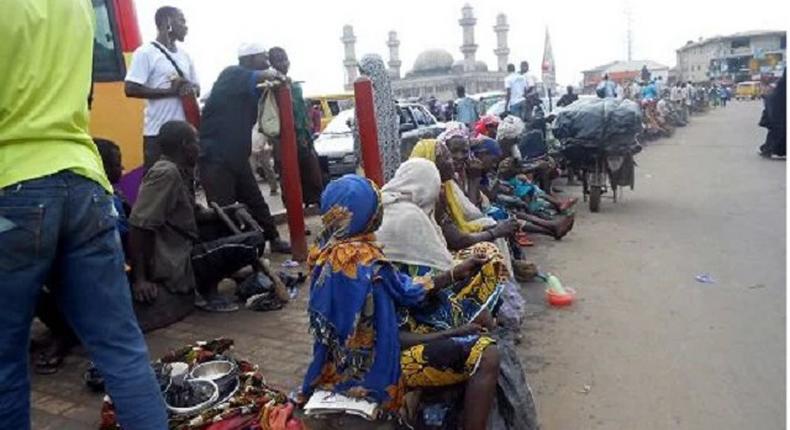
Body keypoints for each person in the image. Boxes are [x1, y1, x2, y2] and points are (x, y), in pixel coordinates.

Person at [0, 1, 167, 428]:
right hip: (84, 181)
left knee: (5, 363)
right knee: (122, 350)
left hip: (10, 184)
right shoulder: (77, 6)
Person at [301, 174, 500, 429]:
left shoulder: (321, 253)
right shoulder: (369, 263)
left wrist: (455, 273)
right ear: (366, 214)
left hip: (331, 370)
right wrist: (453, 332)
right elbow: (400, 312)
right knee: (487, 353)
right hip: (376, 371)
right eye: (377, 206)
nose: (381, 211)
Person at [130, 121, 268, 313]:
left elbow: (197, 215)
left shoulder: (180, 172)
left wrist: (232, 210)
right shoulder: (165, 174)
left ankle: (212, 279)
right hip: (175, 261)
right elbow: (139, 225)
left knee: (237, 225)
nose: (199, 147)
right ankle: (206, 289)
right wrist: (141, 280)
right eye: (196, 141)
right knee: (252, 242)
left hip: (185, 247)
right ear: (186, 145)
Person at [198, 43, 291, 253]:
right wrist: (277, 74)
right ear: (249, 60)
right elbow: (266, 74)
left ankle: (273, 238)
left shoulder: (245, 85)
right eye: (262, 57)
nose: (266, 61)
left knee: (255, 201)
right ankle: (229, 252)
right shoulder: (232, 74)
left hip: (236, 155)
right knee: (224, 208)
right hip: (215, 157)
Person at [125, 6, 199, 173]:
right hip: (158, 134)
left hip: (184, 134)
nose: (186, 26)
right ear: (168, 22)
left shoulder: (185, 56)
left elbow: (196, 87)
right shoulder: (145, 53)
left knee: (186, 185)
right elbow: (130, 88)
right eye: (182, 20)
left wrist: (188, 87)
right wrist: (170, 92)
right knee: (160, 184)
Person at [268, 47, 326, 205]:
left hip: (304, 140)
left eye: (285, 59)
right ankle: (297, 223)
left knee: (314, 180)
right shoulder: (270, 88)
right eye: (278, 60)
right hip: (284, 141)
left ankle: (320, 216)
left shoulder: (294, 86)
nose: (283, 63)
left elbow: (302, 115)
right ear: (271, 64)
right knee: (291, 183)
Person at [354, 54, 402, 182]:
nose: (361, 75)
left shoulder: (368, 92)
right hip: (382, 155)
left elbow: (359, 129)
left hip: (376, 154)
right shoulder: (387, 93)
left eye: (364, 72)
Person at [759, 69, 786, 158]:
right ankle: (769, 148)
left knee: (778, 128)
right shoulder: (780, 86)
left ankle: (769, 148)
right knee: (778, 128)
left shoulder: (779, 85)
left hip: (777, 105)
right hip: (778, 107)